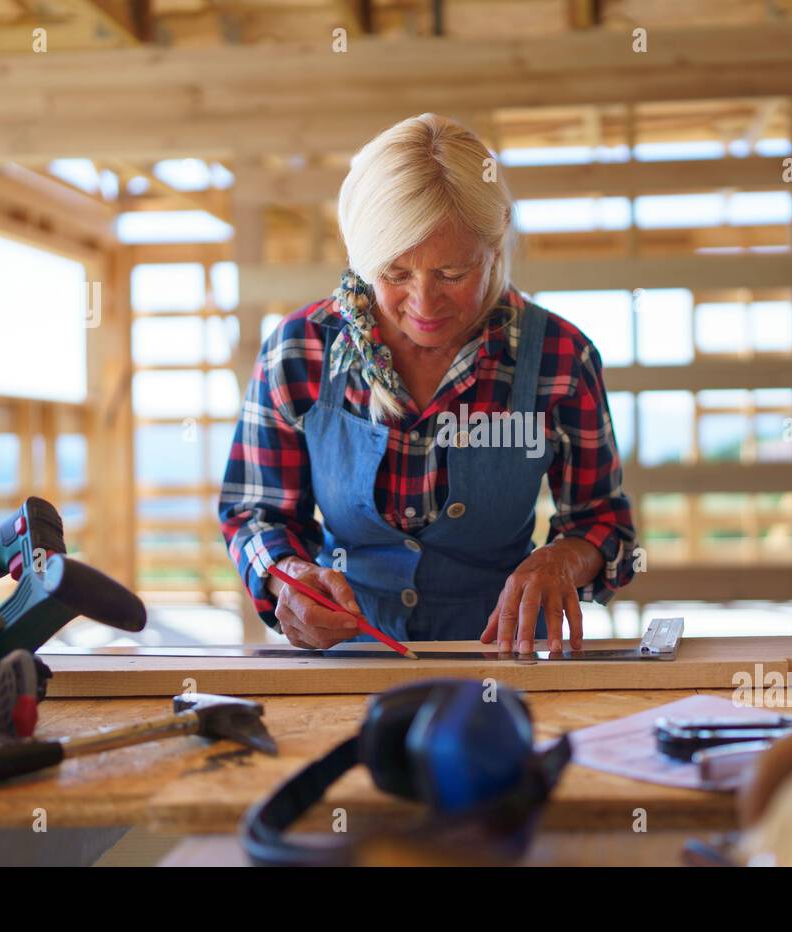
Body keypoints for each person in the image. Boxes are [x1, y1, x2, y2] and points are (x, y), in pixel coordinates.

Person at [219, 113, 639, 655]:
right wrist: (288, 577)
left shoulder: (560, 357)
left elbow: (604, 522)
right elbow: (256, 512)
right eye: (395, 274)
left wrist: (561, 560)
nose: (423, 303)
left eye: (452, 274)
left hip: (503, 660)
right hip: (348, 659)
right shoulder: (300, 351)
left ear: (497, 239)